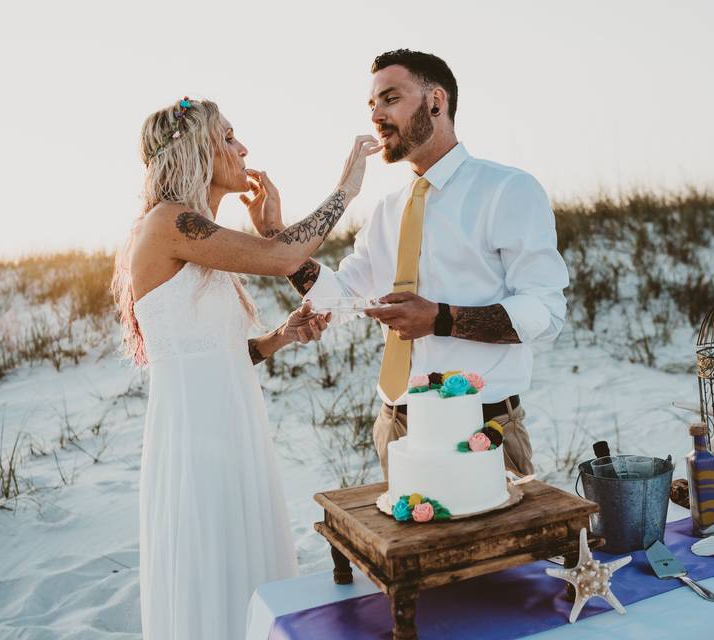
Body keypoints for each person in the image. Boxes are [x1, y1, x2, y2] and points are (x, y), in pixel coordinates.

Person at [110, 96, 380, 640]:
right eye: (229, 137)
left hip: (232, 423)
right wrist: (348, 187)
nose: (243, 148)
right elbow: (282, 261)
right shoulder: (168, 222)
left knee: (242, 556)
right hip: (196, 434)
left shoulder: (195, 231)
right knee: (214, 557)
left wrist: (282, 335)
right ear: (196, 150)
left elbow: (222, 351)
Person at [247, 51, 569, 478]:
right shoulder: (386, 211)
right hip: (394, 428)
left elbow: (545, 314)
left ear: (436, 102)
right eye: (372, 106)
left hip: (480, 426)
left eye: (390, 99)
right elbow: (340, 300)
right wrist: (277, 237)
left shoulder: (507, 190)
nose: (377, 115)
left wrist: (439, 319)